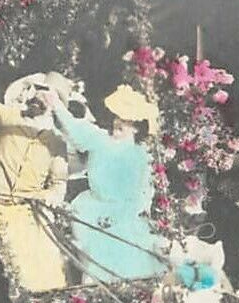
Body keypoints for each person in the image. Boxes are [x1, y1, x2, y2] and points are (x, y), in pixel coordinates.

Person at [0, 45, 72, 292]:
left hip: (26, 217)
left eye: (47, 94)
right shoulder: (10, 117)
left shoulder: (57, 143)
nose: (39, 96)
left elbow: (58, 185)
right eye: (38, 90)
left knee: (40, 277)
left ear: (56, 104)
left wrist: (43, 196)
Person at [48, 85, 166, 281]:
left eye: (126, 120)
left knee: (130, 258)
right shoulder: (100, 138)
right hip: (92, 210)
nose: (118, 121)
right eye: (117, 116)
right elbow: (75, 128)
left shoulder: (140, 156)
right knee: (97, 256)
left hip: (124, 215)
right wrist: (56, 105)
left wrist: (119, 216)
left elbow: (143, 195)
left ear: (137, 127)